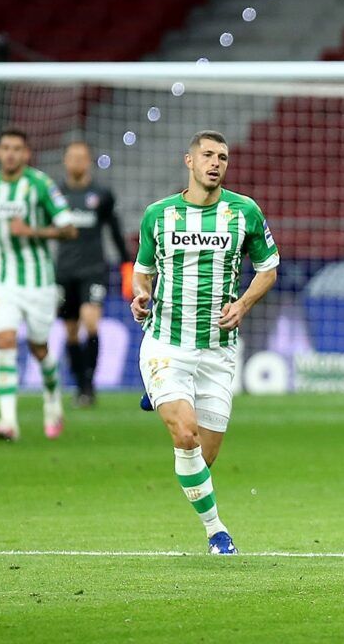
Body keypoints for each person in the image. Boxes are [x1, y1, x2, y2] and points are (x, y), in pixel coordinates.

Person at [131, 130, 279, 555]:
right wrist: (141, 294)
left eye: (224, 157)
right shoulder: (158, 215)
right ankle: (217, 531)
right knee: (186, 435)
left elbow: (268, 268)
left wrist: (245, 303)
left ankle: (158, 394)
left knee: (205, 458)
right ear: (189, 161)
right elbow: (142, 271)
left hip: (218, 349)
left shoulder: (244, 211)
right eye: (208, 155)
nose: (217, 163)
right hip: (166, 342)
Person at [0, 127, 76, 441]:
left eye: (16, 149)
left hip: (38, 282)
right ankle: (8, 421)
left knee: (39, 348)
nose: (10, 154)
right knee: (4, 342)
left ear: (26, 154)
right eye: (5, 148)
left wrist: (32, 231)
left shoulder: (40, 185)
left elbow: (68, 228)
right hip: (1, 279)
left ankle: (52, 398)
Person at [56, 141, 132, 406]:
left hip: (93, 270)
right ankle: (79, 383)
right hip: (64, 271)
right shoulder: (56, 195)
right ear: (66, 161)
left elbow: (114, 230)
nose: (76, 162)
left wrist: (127, 265)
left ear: (88, 161)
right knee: (71, 331)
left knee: (91, 322)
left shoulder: (101, 194)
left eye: (81, 157)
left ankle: (89, 384)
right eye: (72, 157)